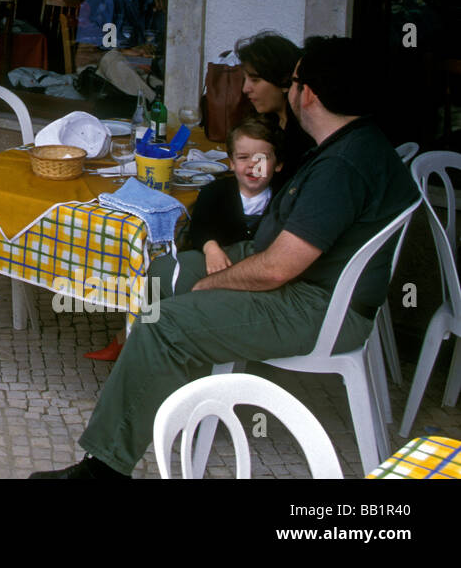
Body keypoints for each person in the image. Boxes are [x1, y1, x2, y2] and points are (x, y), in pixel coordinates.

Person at [31, 36, 420, 478]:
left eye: (292, 82)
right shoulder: (355, 140)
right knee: (163, 272)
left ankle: (103, 469)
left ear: (306, 93)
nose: (287, 90)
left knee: (166, 321)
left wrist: (212, 285)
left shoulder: (342, 166)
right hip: (301, 277)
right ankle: (167, 400)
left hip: (316, 303)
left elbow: (276, 270)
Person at [183, 114, 284, 276]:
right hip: (218, 268)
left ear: (278, 164)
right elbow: (199, 228)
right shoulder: (214, 192)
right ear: (232, 162)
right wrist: (211, 248)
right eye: (243, 157)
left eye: (261, 159)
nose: (252, 165)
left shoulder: (284, 197)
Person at [74, 0, 165, 99]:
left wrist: (165, 10)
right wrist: (122, 52)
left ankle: (161, 101)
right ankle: (155, 104)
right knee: (114, 60)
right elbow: (82, 58)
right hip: (102, 70)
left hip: (136, 68)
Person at [236, 30, 314, 179]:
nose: (245, 89)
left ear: (284, 81)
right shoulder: (268, 121)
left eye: (255, 79)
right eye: (245, 79)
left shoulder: (304, 136)